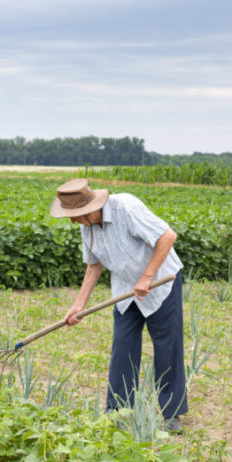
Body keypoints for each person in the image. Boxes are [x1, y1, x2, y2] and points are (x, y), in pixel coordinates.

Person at [50, 179, 187, 431]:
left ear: (90, 209)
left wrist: (147, 277)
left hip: (159, 283)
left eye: (74, 216)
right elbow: (94, 264)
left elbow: (168, 237)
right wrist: (78, 304)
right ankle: (117, 411)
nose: (72, 221)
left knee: (167, 347)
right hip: (126, 289)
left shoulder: (127, 208)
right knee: (123, 348)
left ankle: (172, 414)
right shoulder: (87, 227)